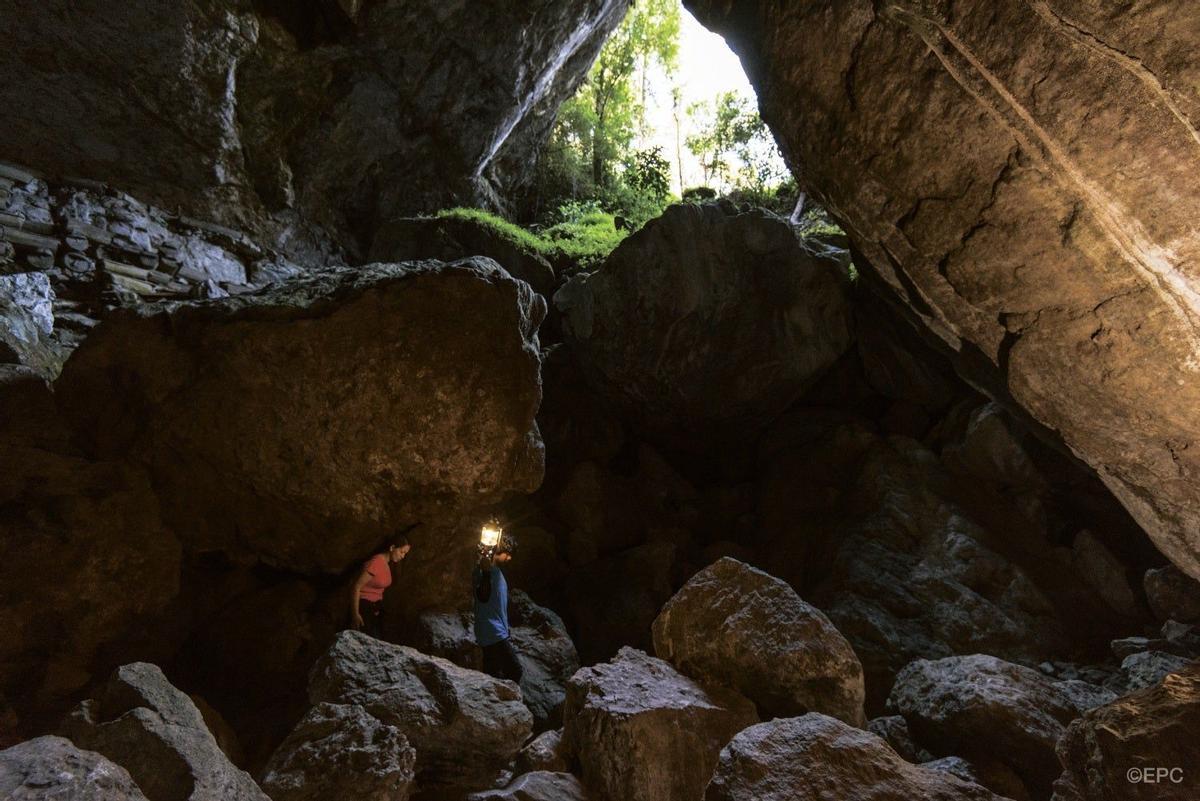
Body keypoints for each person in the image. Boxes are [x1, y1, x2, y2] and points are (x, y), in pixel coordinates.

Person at [473, 534, 523, 683]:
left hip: (491, 630)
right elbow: (483, 596)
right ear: (501, 551)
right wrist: (486, 572)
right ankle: (508, 703)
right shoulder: (484, 571)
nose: (509, 559)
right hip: (492, 631)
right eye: (508, 555)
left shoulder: (494, 571)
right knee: (515, 670)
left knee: (492, 674)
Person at [351, 537, 411, 639]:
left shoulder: (387, 563)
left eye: (405, 553)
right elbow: (356, 586)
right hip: (364, 607)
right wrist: (355, 614)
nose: (403, 556)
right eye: (401, 552)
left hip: (375, 607)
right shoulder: (377, 562)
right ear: (392, 547)